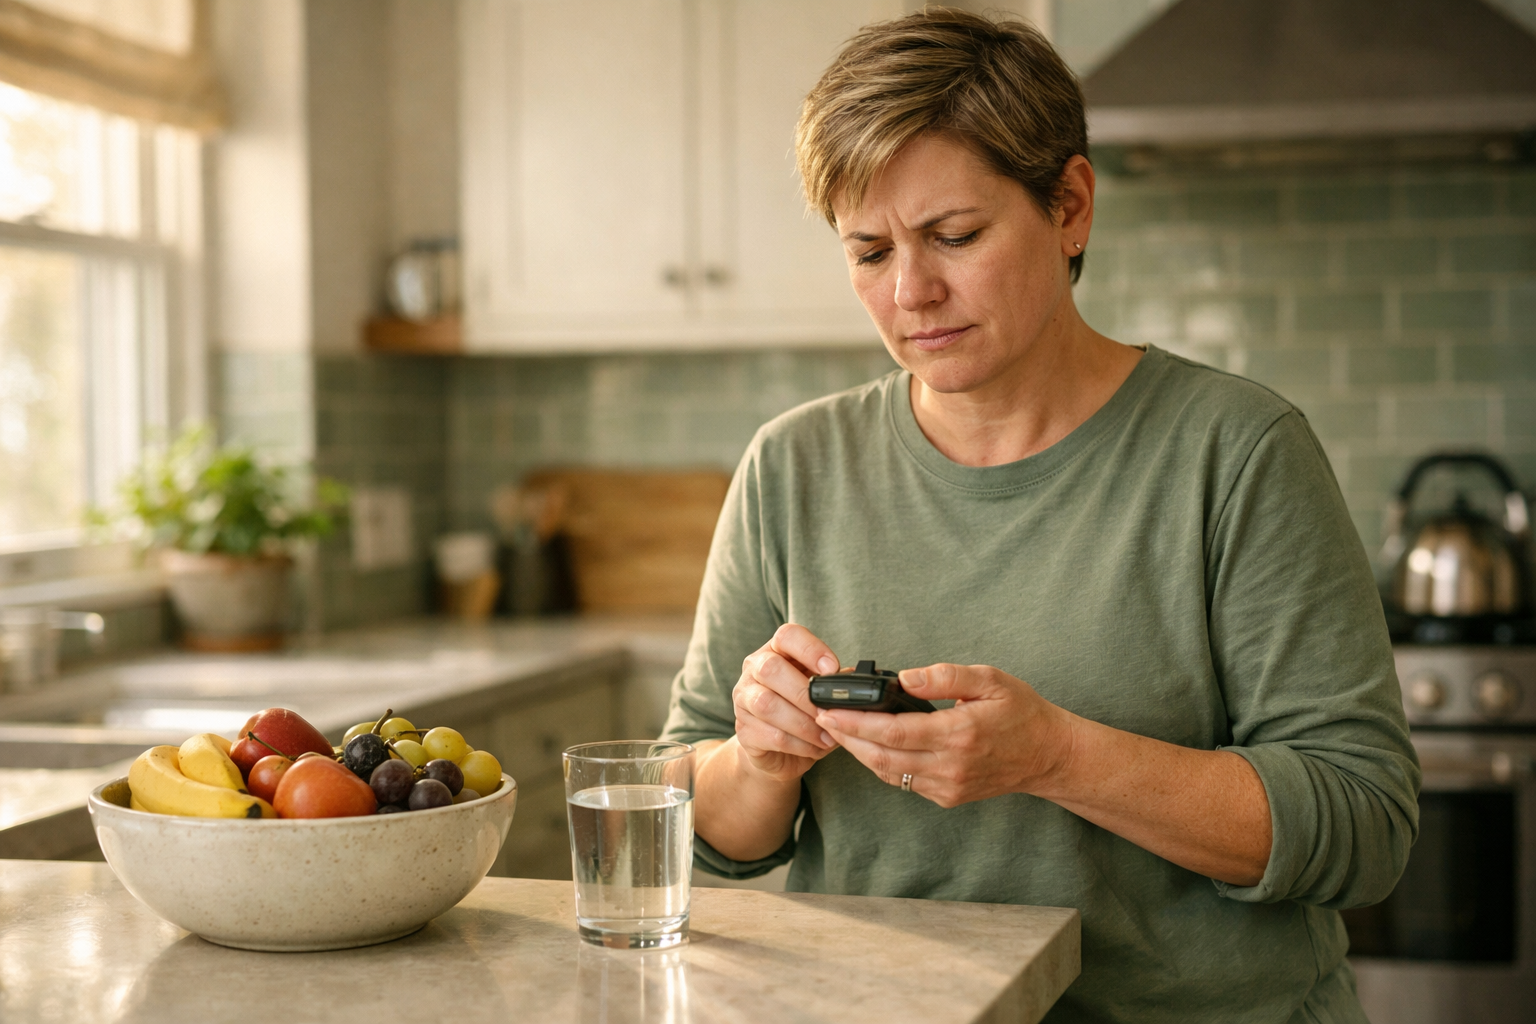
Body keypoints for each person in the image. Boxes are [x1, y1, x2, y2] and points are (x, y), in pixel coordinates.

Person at [659, 9, 1419, 1023]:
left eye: (955, 235)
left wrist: (1057, 757)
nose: (912, 292)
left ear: (1070, 206)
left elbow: (1363, 823)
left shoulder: (1237, 453)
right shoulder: (791, 466)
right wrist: (757, 760)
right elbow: (703, 816)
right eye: (870, 251)